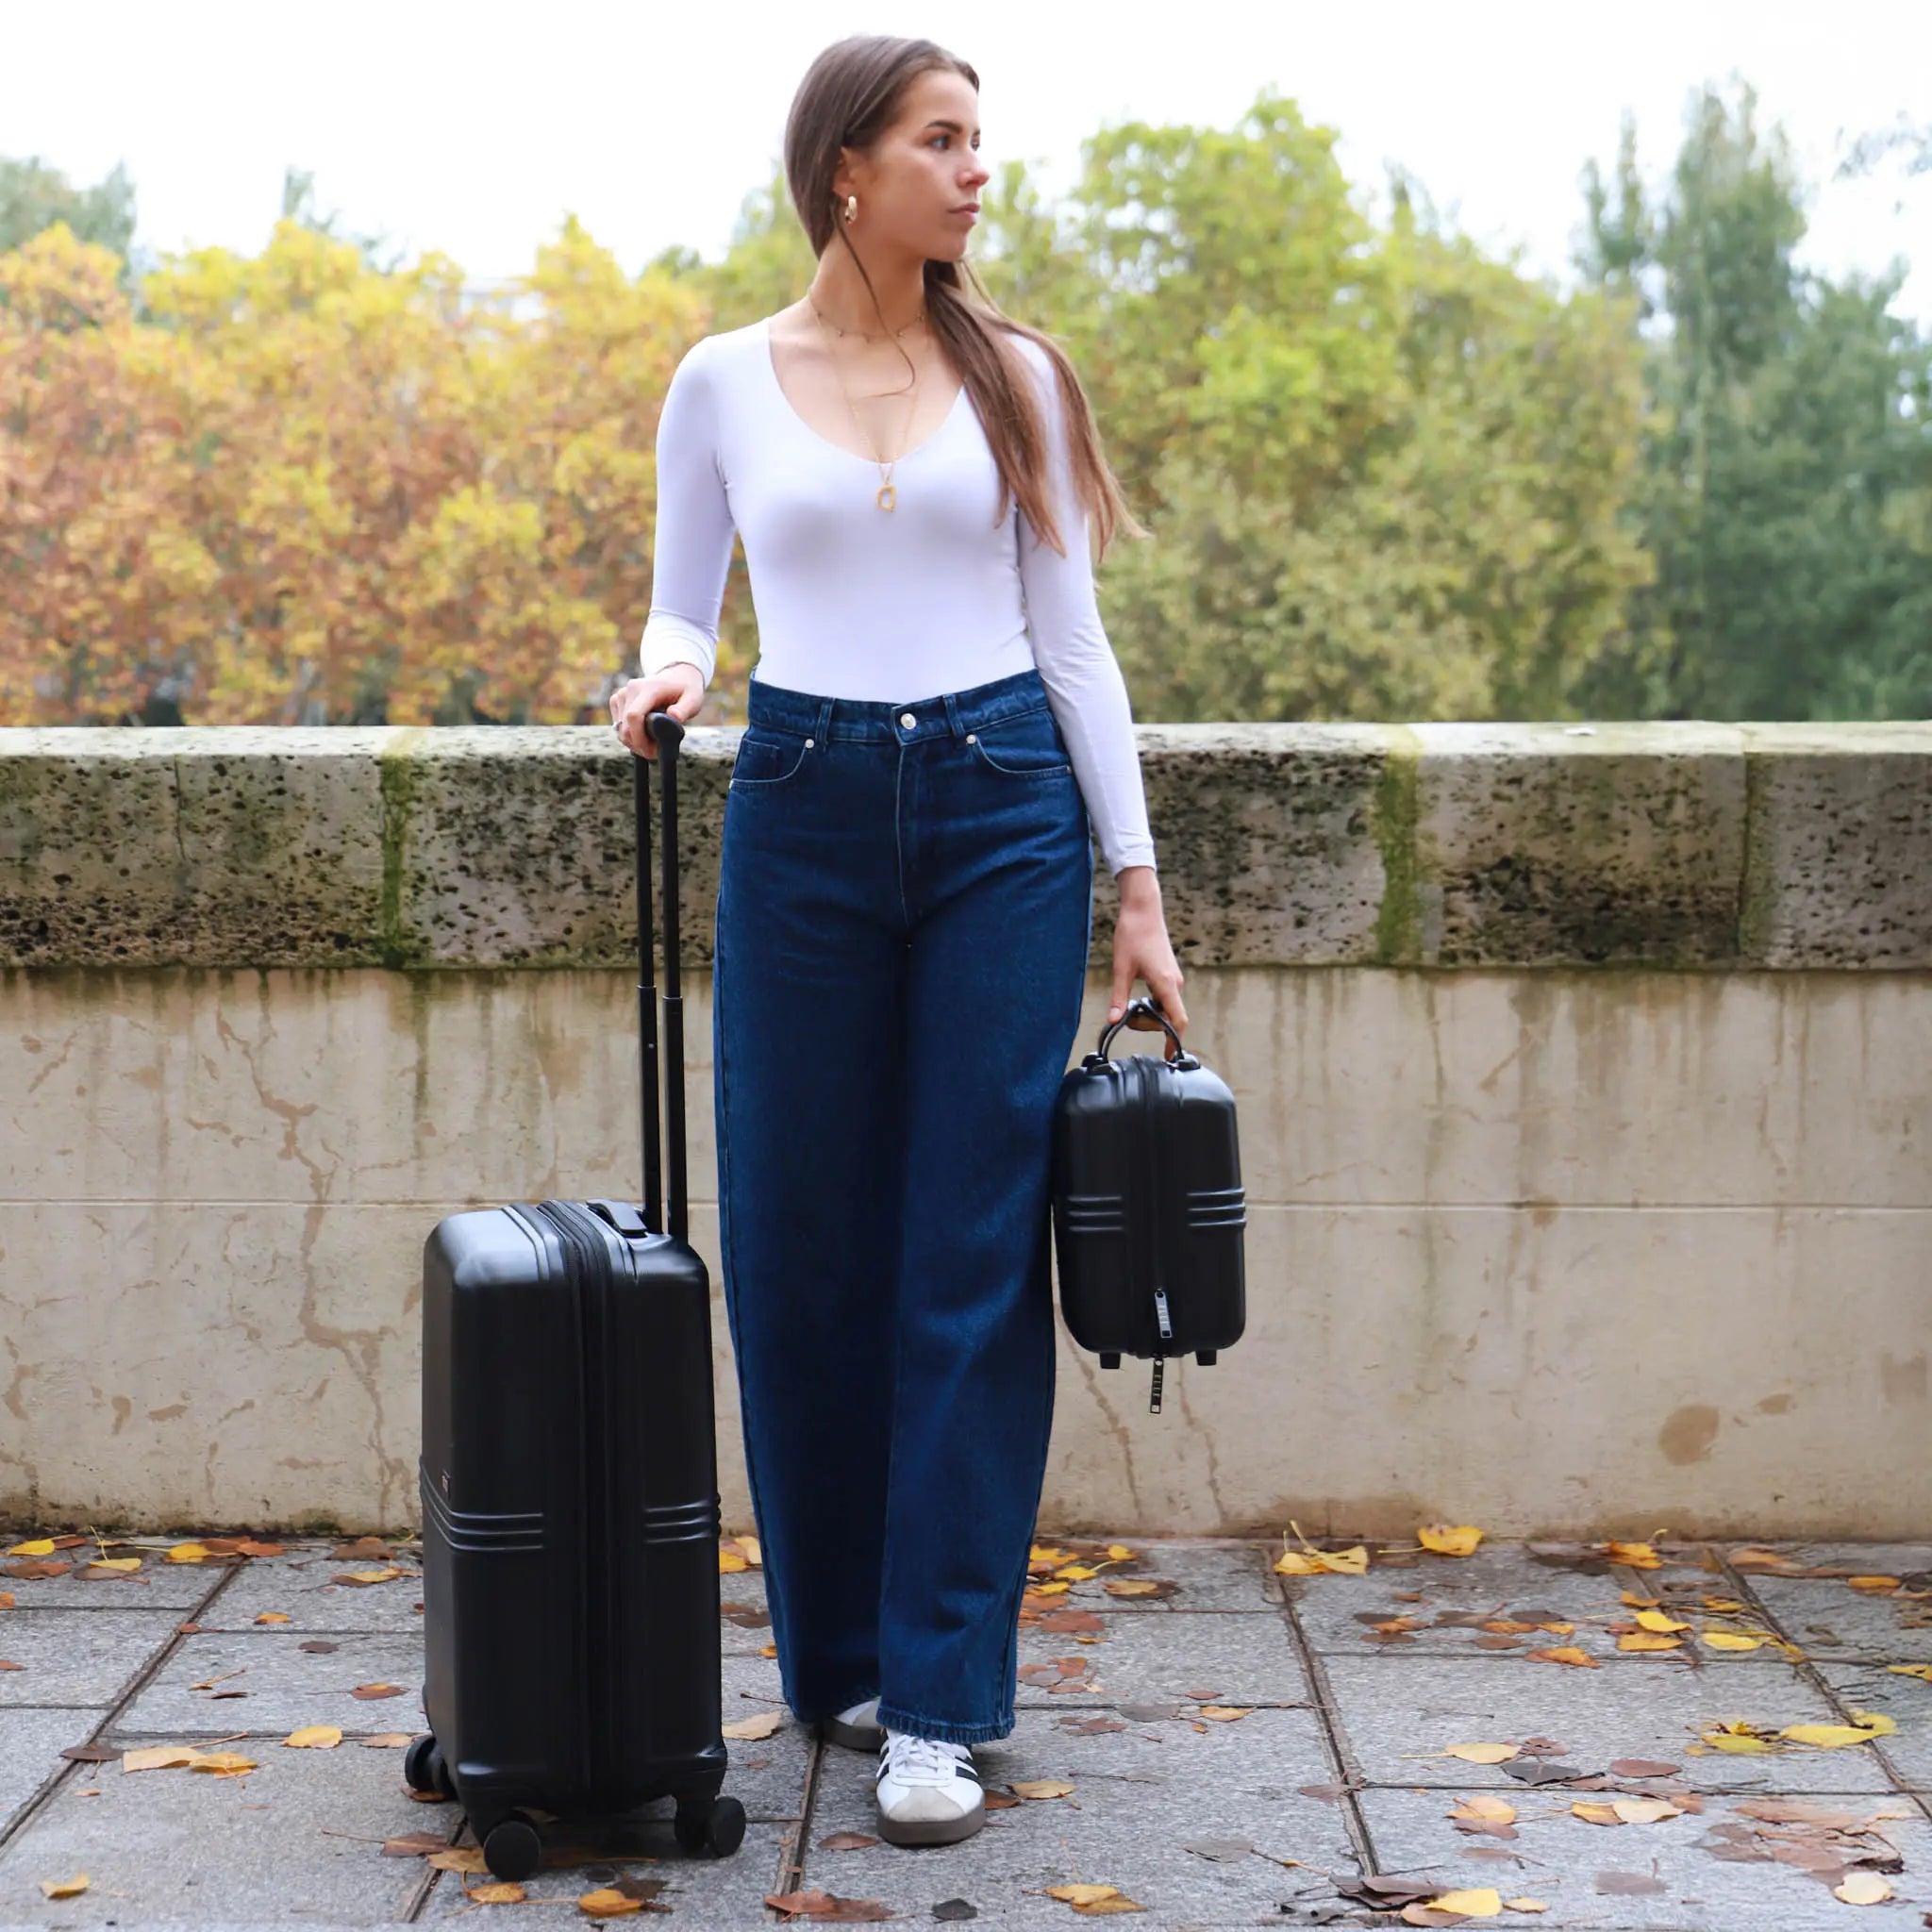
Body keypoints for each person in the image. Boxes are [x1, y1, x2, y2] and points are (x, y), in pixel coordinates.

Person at [608, 33, 1187, 1851]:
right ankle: (838, 1658)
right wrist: (672, 677)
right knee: (791, 1247)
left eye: (981, 141)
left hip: (1005, 800)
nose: (978, 170)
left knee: (966, 1255)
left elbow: (1072, 641)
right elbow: (677, 602)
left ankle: (941, 1697)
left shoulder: (1016, 375)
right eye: (945, 140)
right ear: (845, 167)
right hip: (802, 805)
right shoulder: (718, 380)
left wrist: (1139, 885)